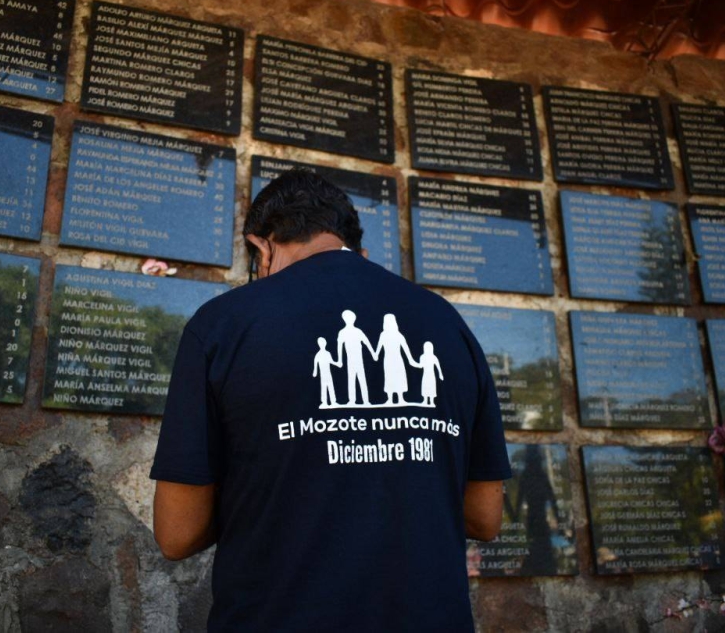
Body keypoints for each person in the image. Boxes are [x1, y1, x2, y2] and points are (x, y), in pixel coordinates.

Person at [150, 169, 511, 632]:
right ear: (358, 250)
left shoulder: (222, 325)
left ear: (263, 247)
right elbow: (485, 517)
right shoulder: (448, 324)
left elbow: (177, 534)